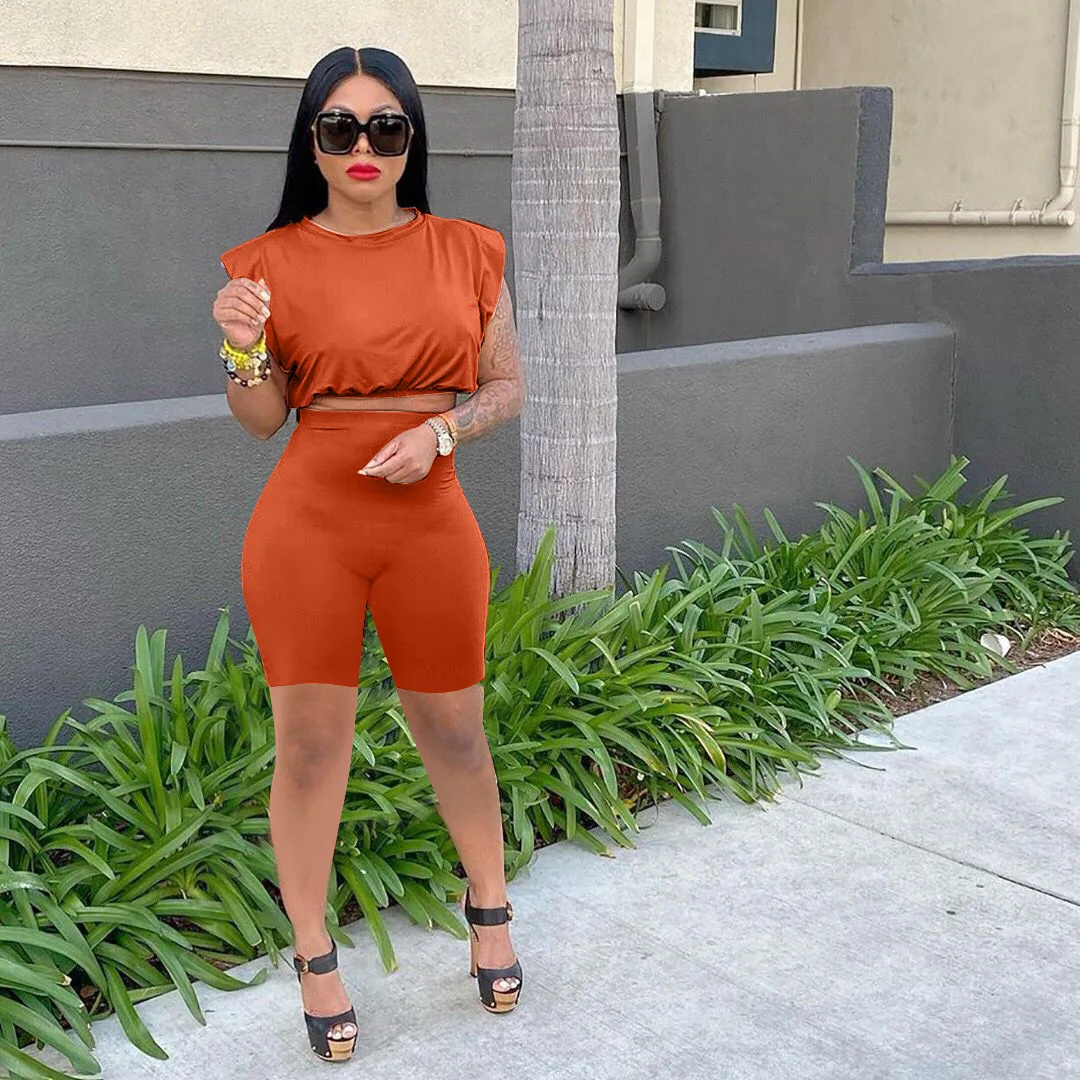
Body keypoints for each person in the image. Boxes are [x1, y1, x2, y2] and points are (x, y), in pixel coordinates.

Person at [211, 44, 526, 1064]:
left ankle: (489, 906)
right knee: (310, 746)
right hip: (309, 524)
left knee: (456, 730)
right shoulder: (265, 264)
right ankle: (313, 954)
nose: (362, 146)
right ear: (311, 142)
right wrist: (240, 346)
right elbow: (262, 420)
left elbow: (507, 386)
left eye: (385, 127)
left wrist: (441, 432)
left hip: (430, 516)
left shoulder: (469, 250)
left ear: (411, 140)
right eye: (338, 127)